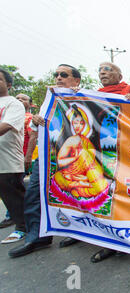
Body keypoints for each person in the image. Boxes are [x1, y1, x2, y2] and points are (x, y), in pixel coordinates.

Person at [9, 64, 82, 258]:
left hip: (74, 159)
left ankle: (80, 232)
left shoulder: (84, 97)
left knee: (76, 197)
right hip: (47, 157)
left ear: (76, 81)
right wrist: (36, 119)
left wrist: (80, 94)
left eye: (64, 75)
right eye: (56, 74)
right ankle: (36, 237)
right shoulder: (50, 100)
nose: (58, 78)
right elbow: (35, 130)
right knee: (34, 195)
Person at [88, 62, 130, 263]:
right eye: (100, 70)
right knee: (107, 192)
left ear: (119, 74)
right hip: (101, 148)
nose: (103, 73)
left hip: (128, 151)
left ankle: (128, 238)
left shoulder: (129, 92)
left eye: (108, 69)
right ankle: (110, 242)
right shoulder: (93, 95)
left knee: (126, 194)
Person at [0, 68, 26, 244]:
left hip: (9, 159)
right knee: (6, 195)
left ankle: (23, 227)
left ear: (8, 84)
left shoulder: (13, 104)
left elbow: (7, 126)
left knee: (14, 195)